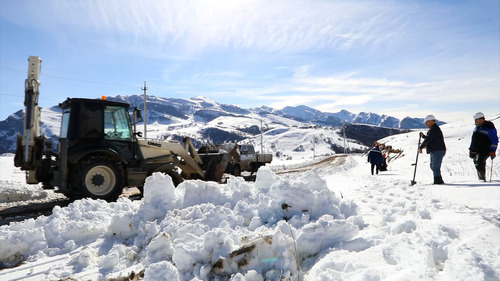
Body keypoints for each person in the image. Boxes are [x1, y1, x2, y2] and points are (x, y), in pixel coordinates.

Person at [469, 112, 498, 181]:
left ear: (481, 119)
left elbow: (494, 140)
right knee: (476, 162)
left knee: (479, 161)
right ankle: (480, 178)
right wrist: (471, 149)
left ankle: (482, 179)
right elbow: (473, 140)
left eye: (476, 120)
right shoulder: (476, 128)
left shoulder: (489, 128)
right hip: (476, 150)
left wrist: (492, 151)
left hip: (485, 150)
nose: (475, 122)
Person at [419, 115, 446, 184]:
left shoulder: (434, 129)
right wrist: (423, 136)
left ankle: (437, 181)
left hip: (437, 150)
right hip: (436, 149)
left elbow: (428, 139)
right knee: (433, 166)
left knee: (435, 166)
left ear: (431, 121)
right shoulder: (434, 129)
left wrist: (421, 147)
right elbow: (430, 138)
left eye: (427, 122)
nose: (425, 124)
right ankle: (438, 179)